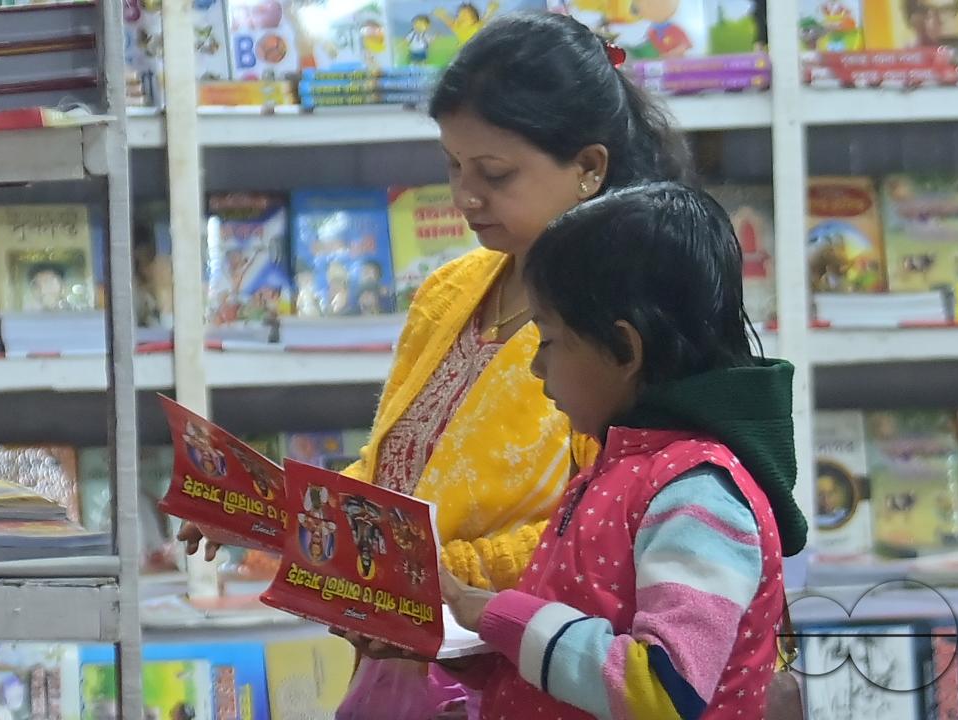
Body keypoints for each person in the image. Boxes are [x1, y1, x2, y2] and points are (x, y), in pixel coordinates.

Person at [180, 11, 689, 719]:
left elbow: (605, 526)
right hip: (410, 669)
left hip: (526, 678)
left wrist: (431, 586)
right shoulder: (451, 290)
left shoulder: (625, 324)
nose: (464, 197)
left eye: (495, 173)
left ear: (589, 169)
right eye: (452, 165)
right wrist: (273, 512)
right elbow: (393, 474)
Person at [440, 183, 808, 720]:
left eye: (547, 340)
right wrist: (478, 648)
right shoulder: (621, 467)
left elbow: (662, 690)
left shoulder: (697, 493)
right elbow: (584, 638)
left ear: (625, 348)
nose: (536, 368)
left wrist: (502, 616)